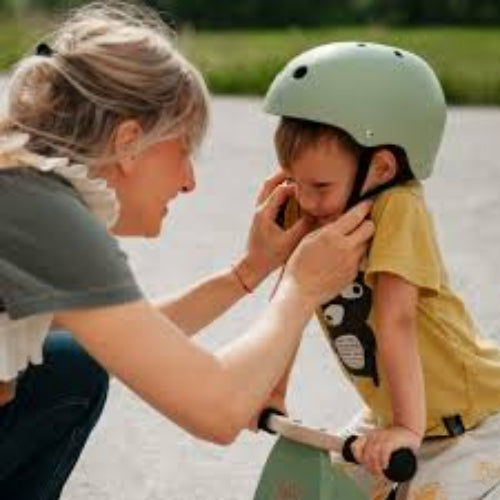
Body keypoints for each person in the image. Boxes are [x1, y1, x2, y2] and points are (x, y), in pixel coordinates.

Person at [0, 3, 374, 499]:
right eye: (184, 150)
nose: (190, 181)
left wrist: (248, 272)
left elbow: (122, 339)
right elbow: (217, 410)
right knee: (68, 371)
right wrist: (301, 289)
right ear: (130, 141)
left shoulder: (22, 187)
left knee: (70, 365)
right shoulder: (42, 215)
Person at [263, 41, 500, 499]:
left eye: (320, 186)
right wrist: (272, 389)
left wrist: (408, 429)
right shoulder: (313, 207)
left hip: (464, 422)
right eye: (294, 180)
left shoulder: (398, 208)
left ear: (382, 166)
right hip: (394, 417)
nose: (306, 201)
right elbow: (289, 298)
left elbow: (397, 319)